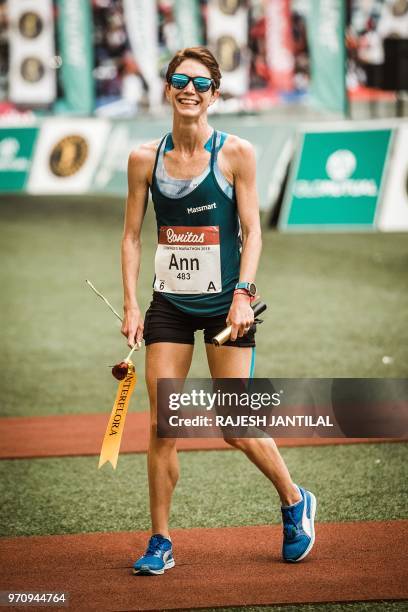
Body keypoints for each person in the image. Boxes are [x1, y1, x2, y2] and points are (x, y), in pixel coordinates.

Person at [121, 47, 316, 575]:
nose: (189, 89)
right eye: (180, 80)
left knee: (235, 425)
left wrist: (243, 294)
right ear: (166, 88)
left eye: (200, 83)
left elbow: (252, 231)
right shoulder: (144, 158)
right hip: (169, 306)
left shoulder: (236, 153)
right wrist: (133, 303)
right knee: (165, 424)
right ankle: (160, 541)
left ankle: (295, 499)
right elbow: (132, 237)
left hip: (228, 306)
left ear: (215, 93)